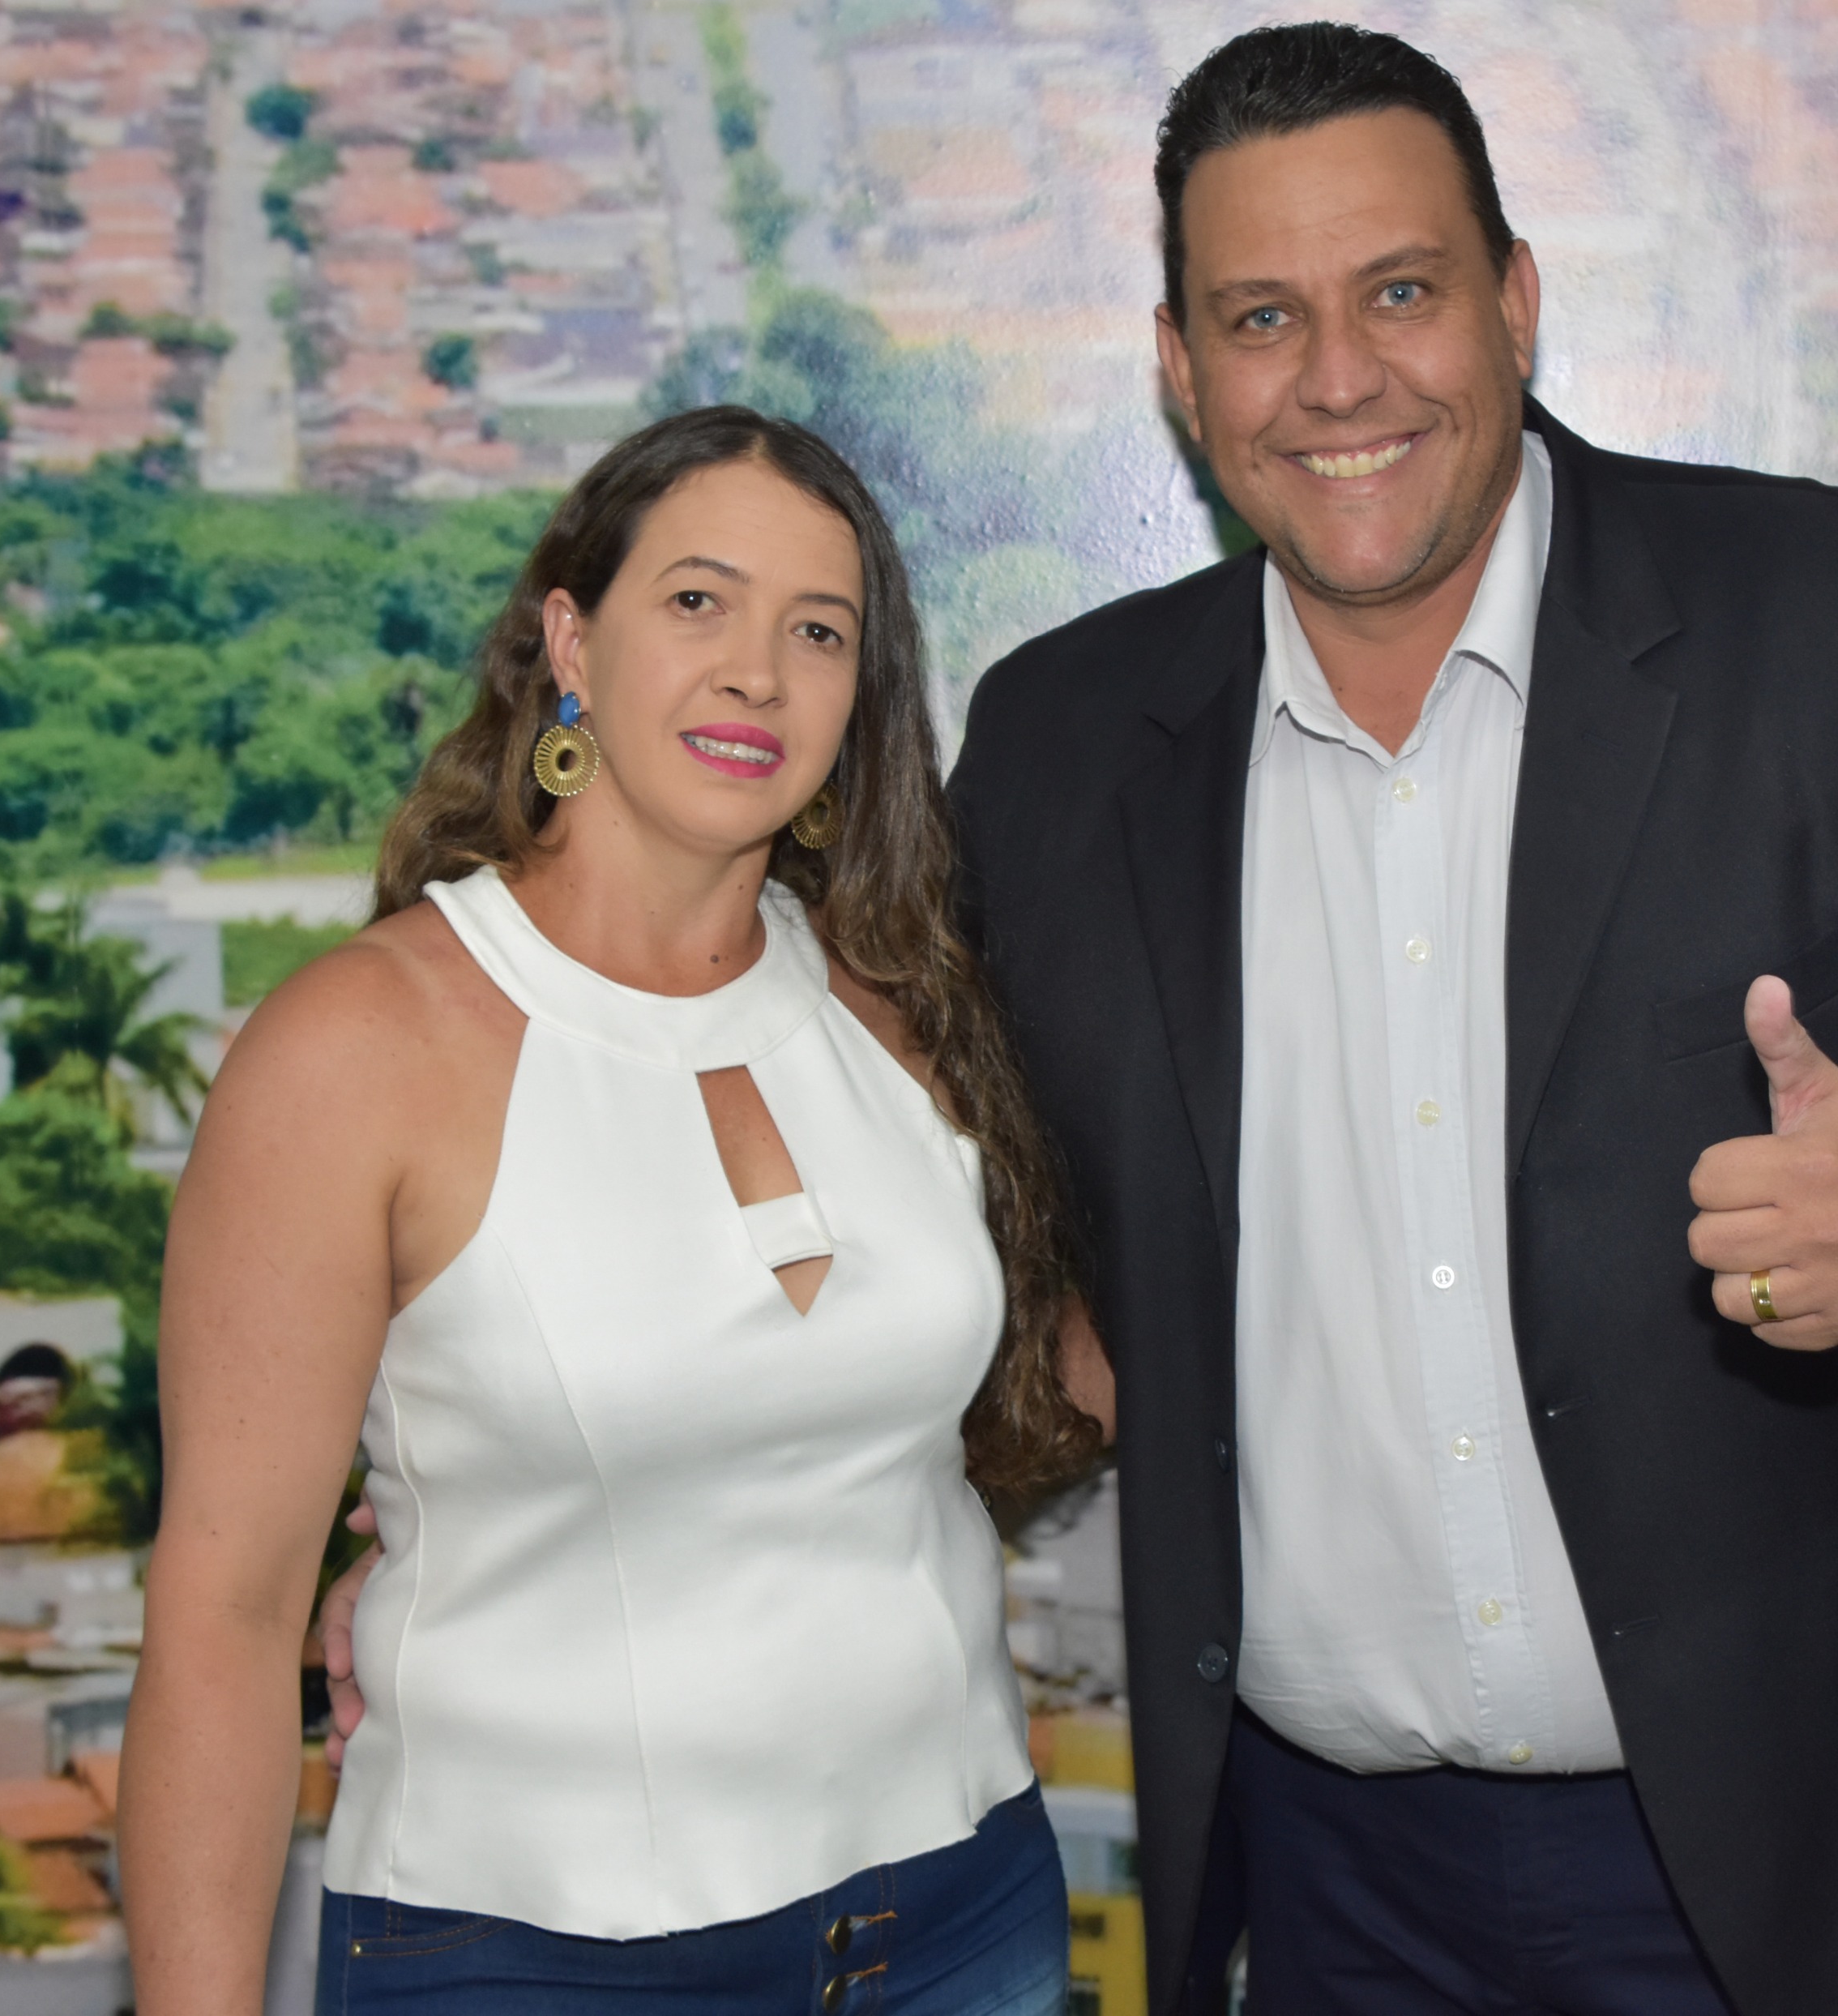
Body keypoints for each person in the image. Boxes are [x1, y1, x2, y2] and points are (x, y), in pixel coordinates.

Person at [943, 25, 1838, 2016]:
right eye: (1261, 316)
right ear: (1181, 371)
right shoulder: (1055, 739)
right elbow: (940, 1144)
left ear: (1517, 301)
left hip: (1821, 1839)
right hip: (1332, 1886)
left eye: (1400, 291)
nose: (1339, 377)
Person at [122, 407, 1105, 2016]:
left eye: (819, 632)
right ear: (571, 642)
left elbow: (1068, 1367)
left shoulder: (907, 1009)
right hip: (530, 1958)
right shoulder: (353, 1050)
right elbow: (223, 1621)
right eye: (699, 602)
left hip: (964, 1919)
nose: (757, 674)